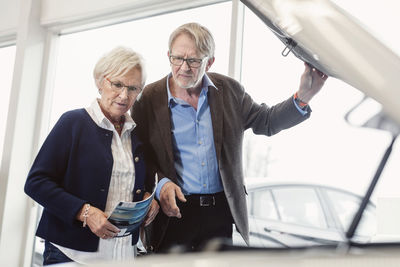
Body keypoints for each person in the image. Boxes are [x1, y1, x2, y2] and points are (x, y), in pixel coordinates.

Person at [131, 22, 328, 253]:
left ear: (210, 61)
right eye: (177, 58)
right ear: (168, 56)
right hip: (173, 212)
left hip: (220, 212)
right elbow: (138, 155)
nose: (184, 67)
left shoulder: (230, 91)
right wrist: (160, 183)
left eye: (193, 60)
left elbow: (266, 121)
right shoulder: (148, 99)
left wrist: (303, 96)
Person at [24, 46, 159, 265]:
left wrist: (146, 199)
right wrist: (85, 212)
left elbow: (136, 184)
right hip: (72, 254)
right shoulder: (73, 123)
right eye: (117, 84)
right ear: (99, 82)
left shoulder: (136, 134)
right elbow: (36, 183)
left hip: (123, 254)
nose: (124, 95)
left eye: (133, 88)